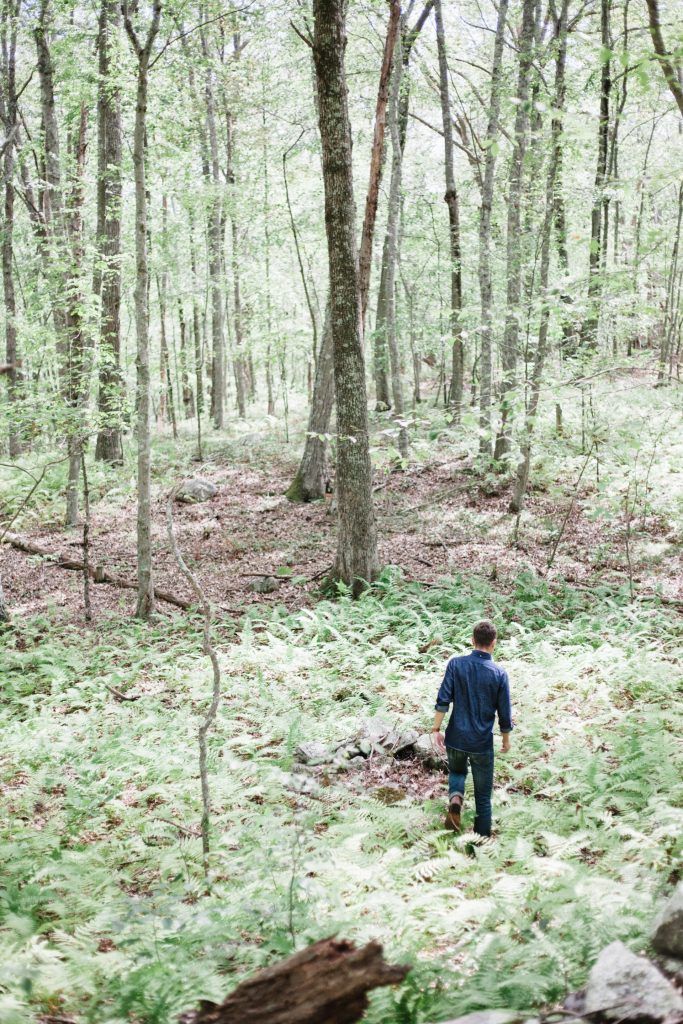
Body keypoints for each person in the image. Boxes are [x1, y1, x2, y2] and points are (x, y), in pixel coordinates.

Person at [431, 619, 513, 836]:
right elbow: (504, 713)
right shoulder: (499, 673)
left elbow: (443, 700)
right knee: (483, 797)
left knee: (457, 771)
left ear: (472, 640)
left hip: (456, 737)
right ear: (493, 643)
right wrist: (506, 740)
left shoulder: (456, 664)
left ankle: (456, 798)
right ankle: (481, 846)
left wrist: (435, 729)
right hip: (481, 743)